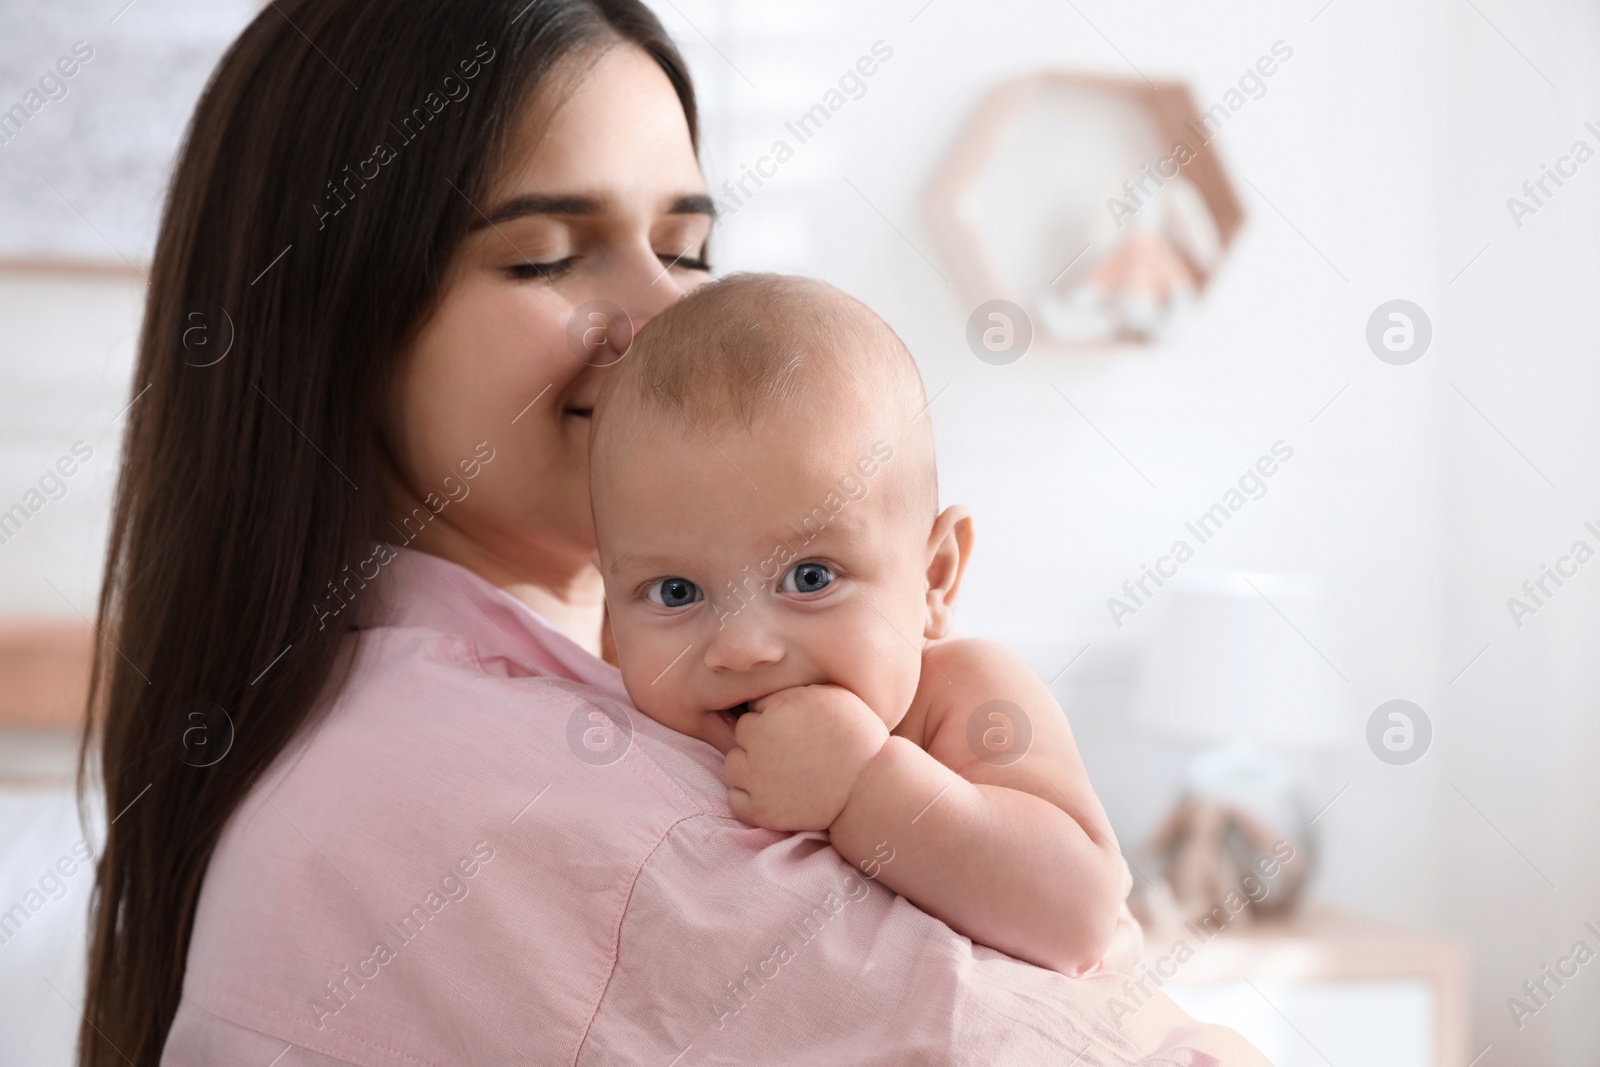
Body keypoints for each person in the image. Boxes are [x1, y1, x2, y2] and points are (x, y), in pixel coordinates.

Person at [77, 1, 1268, 1063]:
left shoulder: (485, 707)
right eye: (548, 254)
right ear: (335, 320)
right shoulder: (495, 797)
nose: (663, 316)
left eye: (688, 247)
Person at [589, 273, 1139, 976]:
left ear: (935, 578)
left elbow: (1081, 917)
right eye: (675, 591)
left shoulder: (962, 694)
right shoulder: (642, 736)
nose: (741, 646)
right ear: (611, 619)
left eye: (810, 577)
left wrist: (868, 785)